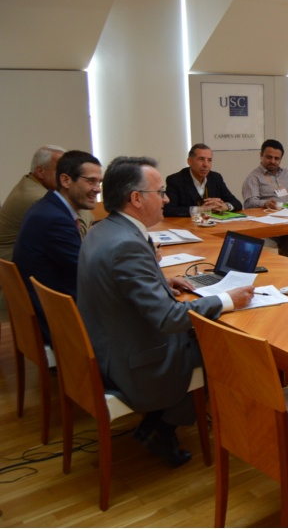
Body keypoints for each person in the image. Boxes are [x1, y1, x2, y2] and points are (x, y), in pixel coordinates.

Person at [77, 156, 254, 467]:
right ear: (136, 198)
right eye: (160, 192)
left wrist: (161, 281)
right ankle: (163, 425)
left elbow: (120, 284)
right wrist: (226, 299)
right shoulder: (127, 245)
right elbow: (168, 318)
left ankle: (164, 420)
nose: (167, 199)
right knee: (221, 346)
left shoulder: (103, 229)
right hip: (133, 362)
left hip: (108, 343)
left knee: (205, 333)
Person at [13, 151, 102, 344]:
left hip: (45, 306)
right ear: (66, 180)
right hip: (58, 319)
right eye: (91, 181)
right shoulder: (54, 220)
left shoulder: (47, 207)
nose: (97, 189)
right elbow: (88, 274)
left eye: (99, 182)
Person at [0, 146, 94, 262]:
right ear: (40, 171)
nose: (67, 177)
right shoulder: (40, 200)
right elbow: (77, 238)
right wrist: (79, 198)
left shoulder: (29, 182)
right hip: (17, 263)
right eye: (61, 170)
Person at [163, 143, 242, 217]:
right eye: (201, 159)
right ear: (190, 161)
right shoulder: (175, 180)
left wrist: (225, 206)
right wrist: (200, 210)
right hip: (187, 225)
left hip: (213, 224)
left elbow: (237, 203)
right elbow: (168, 210)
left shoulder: (215, 178)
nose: (206, 164)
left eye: (209, 160)